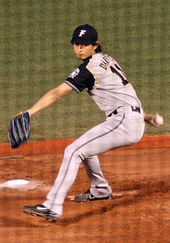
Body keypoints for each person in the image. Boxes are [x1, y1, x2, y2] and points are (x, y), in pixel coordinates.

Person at [22, 24, 163, 221]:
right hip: (130, 119)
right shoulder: (107, 60)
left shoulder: (89, 69)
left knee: (73, 151)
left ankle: (52, 206)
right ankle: (100, 190)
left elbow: (57, 93)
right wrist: (146, 118)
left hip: (123, 122)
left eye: (84, 45)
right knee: (85, 147)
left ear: (95, 45)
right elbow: (125, 94)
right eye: (76, 44)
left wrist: (28, 113)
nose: (79, 49)